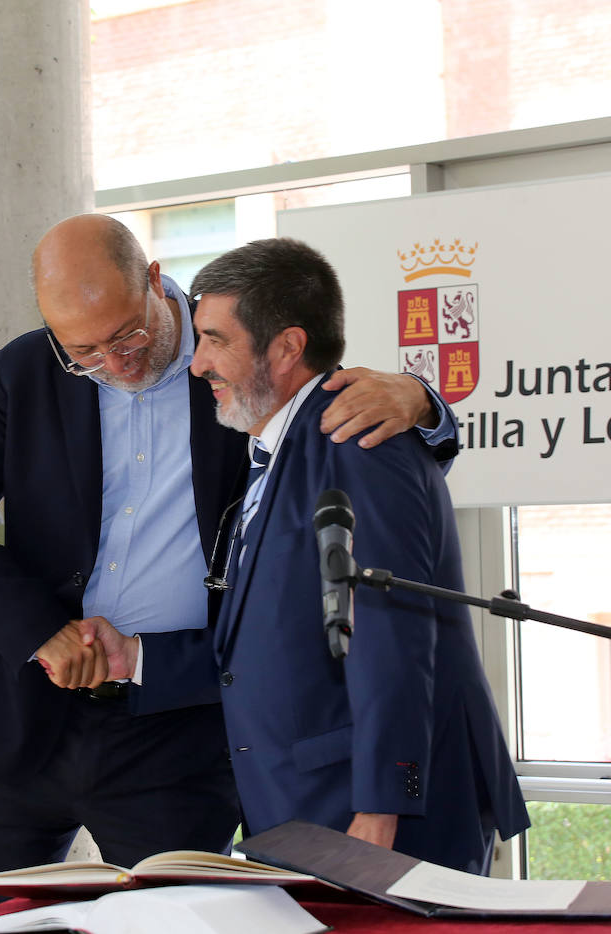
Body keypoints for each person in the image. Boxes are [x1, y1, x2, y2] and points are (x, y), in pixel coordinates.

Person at [0, 213, 459, 918]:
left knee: (173, 924)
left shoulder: (233, 355)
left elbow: (341, 418)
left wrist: (425, 401)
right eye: (85, 352)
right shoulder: (29, 370)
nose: (114, 362)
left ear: (156, 282)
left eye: (128, 335)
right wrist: (40, 630)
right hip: (29, 718)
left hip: (180, 728)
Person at [176, 237, 529, 873]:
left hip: (366, 817)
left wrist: (381, 804)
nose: (198, 363)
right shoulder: (275, 445)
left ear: (286, 346)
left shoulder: (359, 438)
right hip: (302, 806)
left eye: (215, 339)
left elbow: (394, 628)